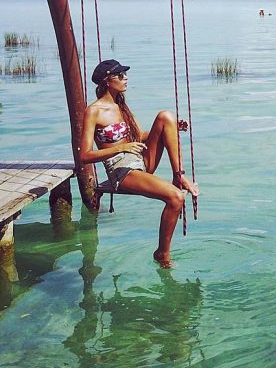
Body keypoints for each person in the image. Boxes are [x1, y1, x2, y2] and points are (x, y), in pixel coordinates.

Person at [79, 59, 199, 268]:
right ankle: (162, 254)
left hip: (139, 161)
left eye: (125, 75)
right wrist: (119, 148)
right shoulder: (94, 111)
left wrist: (171, 129)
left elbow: (138, 135)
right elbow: (84, 156)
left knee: (166, 117)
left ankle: (178, 175)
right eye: (120, 76)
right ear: (107, 81)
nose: (125, 79)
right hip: (121, 171)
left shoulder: (121, 105)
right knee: (175, 198)